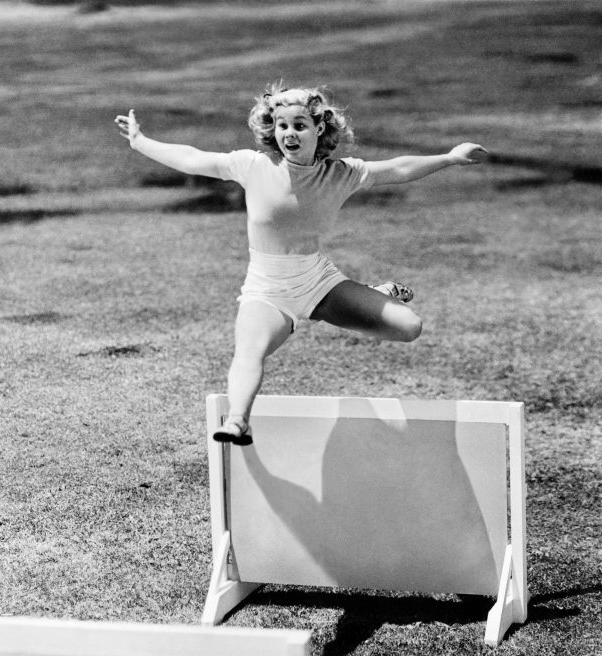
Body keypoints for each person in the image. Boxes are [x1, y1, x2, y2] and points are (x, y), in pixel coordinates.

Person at [115, 84, 488, 445]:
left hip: (318, 282)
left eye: (299, 125)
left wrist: (450, 158)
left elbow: (400, 168)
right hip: (267, 291)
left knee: (409, 327)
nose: (289, 134)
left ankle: (375, 295)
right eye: (281, 126)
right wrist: (140, 141)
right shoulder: (253, 166)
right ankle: (237, 422)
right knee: (250, 351)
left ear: (319, 128)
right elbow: (192, 158)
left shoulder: (341, 174)